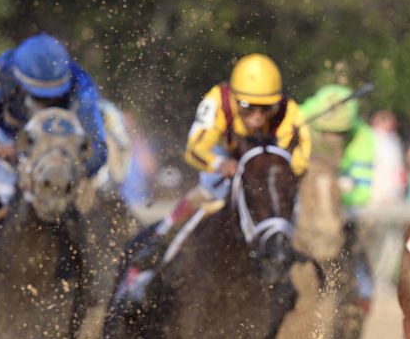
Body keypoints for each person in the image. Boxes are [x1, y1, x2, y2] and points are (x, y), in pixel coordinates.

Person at [118, 53, 310, 301]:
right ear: (234, 98)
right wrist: (220, 163)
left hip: (263, 175)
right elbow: (195, 148)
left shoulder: (289, 112)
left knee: (287, 209)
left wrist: (260, 167)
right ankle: (157, 247)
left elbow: (298, 163)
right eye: (248, 107)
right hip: (224, 164)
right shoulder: (218, 100)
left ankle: (287, 274)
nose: (257, 117)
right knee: (204, 195)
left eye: (266, 109)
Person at [0, 33, 108, 210]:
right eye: (38, 96)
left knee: (99, 199)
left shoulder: (82, 87)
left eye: (53, 97)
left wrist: (73, 169)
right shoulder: (2, 71)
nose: (44, 103)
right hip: (7, 142)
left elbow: (98, 149)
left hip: (61, 151)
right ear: (18, 80)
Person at [300, 84, 375, 212]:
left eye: (339, 134)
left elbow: (362, 192)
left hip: (340, 191)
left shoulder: (362, 137)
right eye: (325, 132)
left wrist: (337, 196)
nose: (332, 140)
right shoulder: (299, 117)